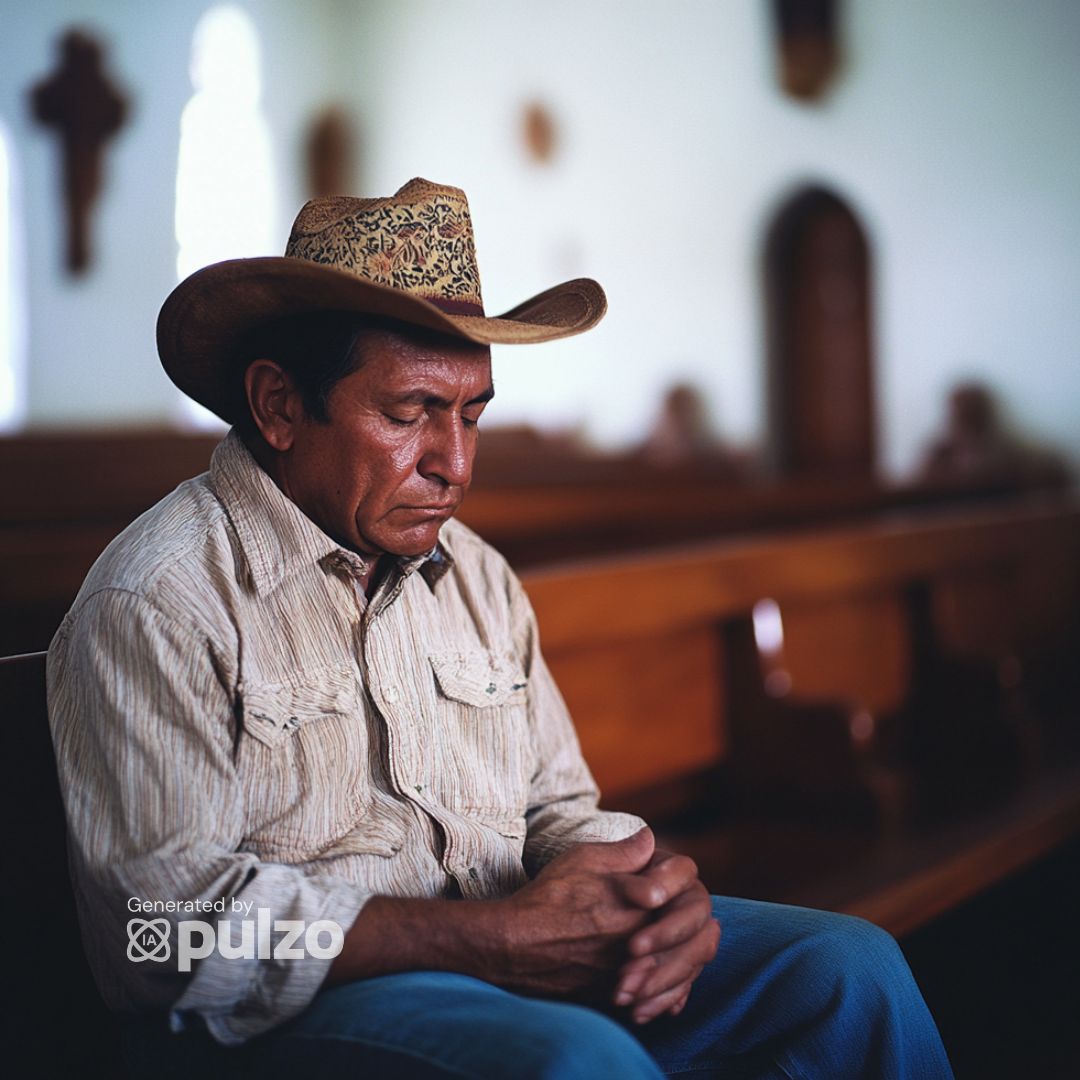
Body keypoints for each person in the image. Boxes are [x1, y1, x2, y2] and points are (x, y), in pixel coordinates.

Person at [48, 177, 953, 1078]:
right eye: (410, 414)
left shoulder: (474, 574)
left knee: (846, 971)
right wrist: (483, 940)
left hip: (507, 951)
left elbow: (558, 812)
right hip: (297, 1020)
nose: (453, 464)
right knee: (576, 1057)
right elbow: (155, 936)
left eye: (473, 415)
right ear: (281, 406)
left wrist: (647, 890)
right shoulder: (159, 601)